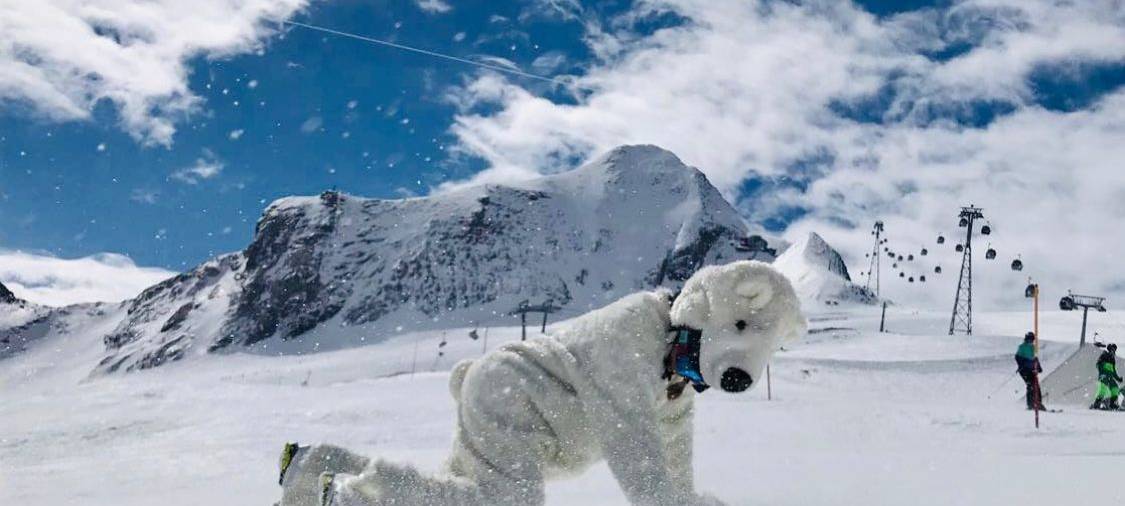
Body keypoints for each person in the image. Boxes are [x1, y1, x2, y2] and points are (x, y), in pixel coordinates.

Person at [1014, 332, 1045, 410]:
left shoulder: (1033, 347)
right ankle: (1031, 404)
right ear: (1026, 339)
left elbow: (1035, 358)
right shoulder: (1022, 347)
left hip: (1031, 370)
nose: (1031, 341)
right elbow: (1017, 357)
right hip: (1024, 370)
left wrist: (1038, 367)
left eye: (1032, 340)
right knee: (1030, 385)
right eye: (1030, 340)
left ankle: (1038, 403)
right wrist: (1022, 363)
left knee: (1036, 386)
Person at [1092, 343, 1122, 410]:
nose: (1113, 351)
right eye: (1112, 350)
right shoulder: (1104, 355)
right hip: (1104, 376)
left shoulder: (1112, 359)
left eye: (1114, 350)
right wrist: (1103, 372)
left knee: (1115, 388)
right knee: (1103, 389)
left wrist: (1118, 378)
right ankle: (1097, 403)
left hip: (1110, 377)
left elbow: (1113, 371)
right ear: (1109, 349)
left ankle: (1112, 403)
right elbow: (1098, 365)